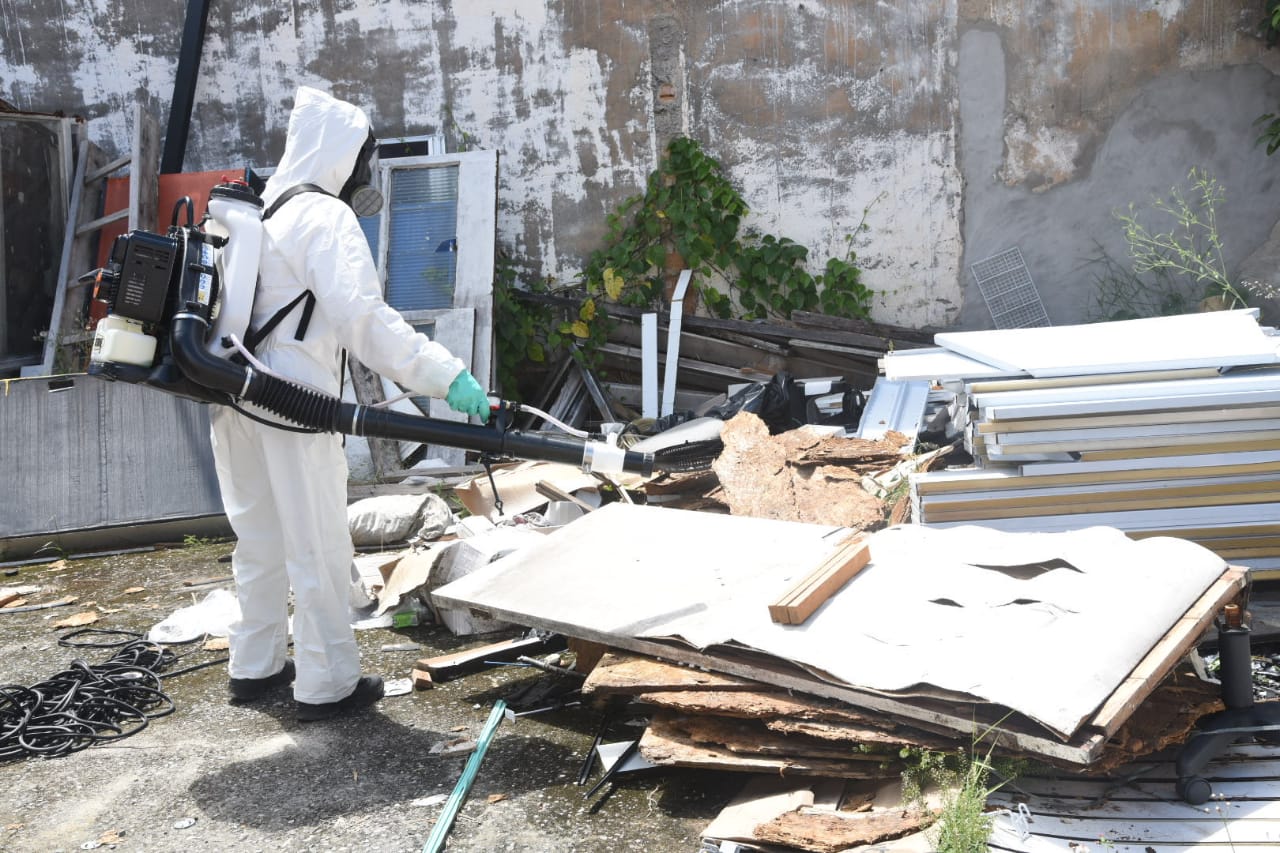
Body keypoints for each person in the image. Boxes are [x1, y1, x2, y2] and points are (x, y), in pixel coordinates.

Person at [209, 86, 490, 722]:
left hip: (230, 399)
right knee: (318, 544)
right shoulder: (322, 217)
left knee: (257, 540)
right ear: (338, 153)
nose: (363, 173)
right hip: (293, 406)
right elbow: (364, 321)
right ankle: (327, 683)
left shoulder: (254, 211)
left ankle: (252, 667)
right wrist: (446, 375)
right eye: (361, 157)